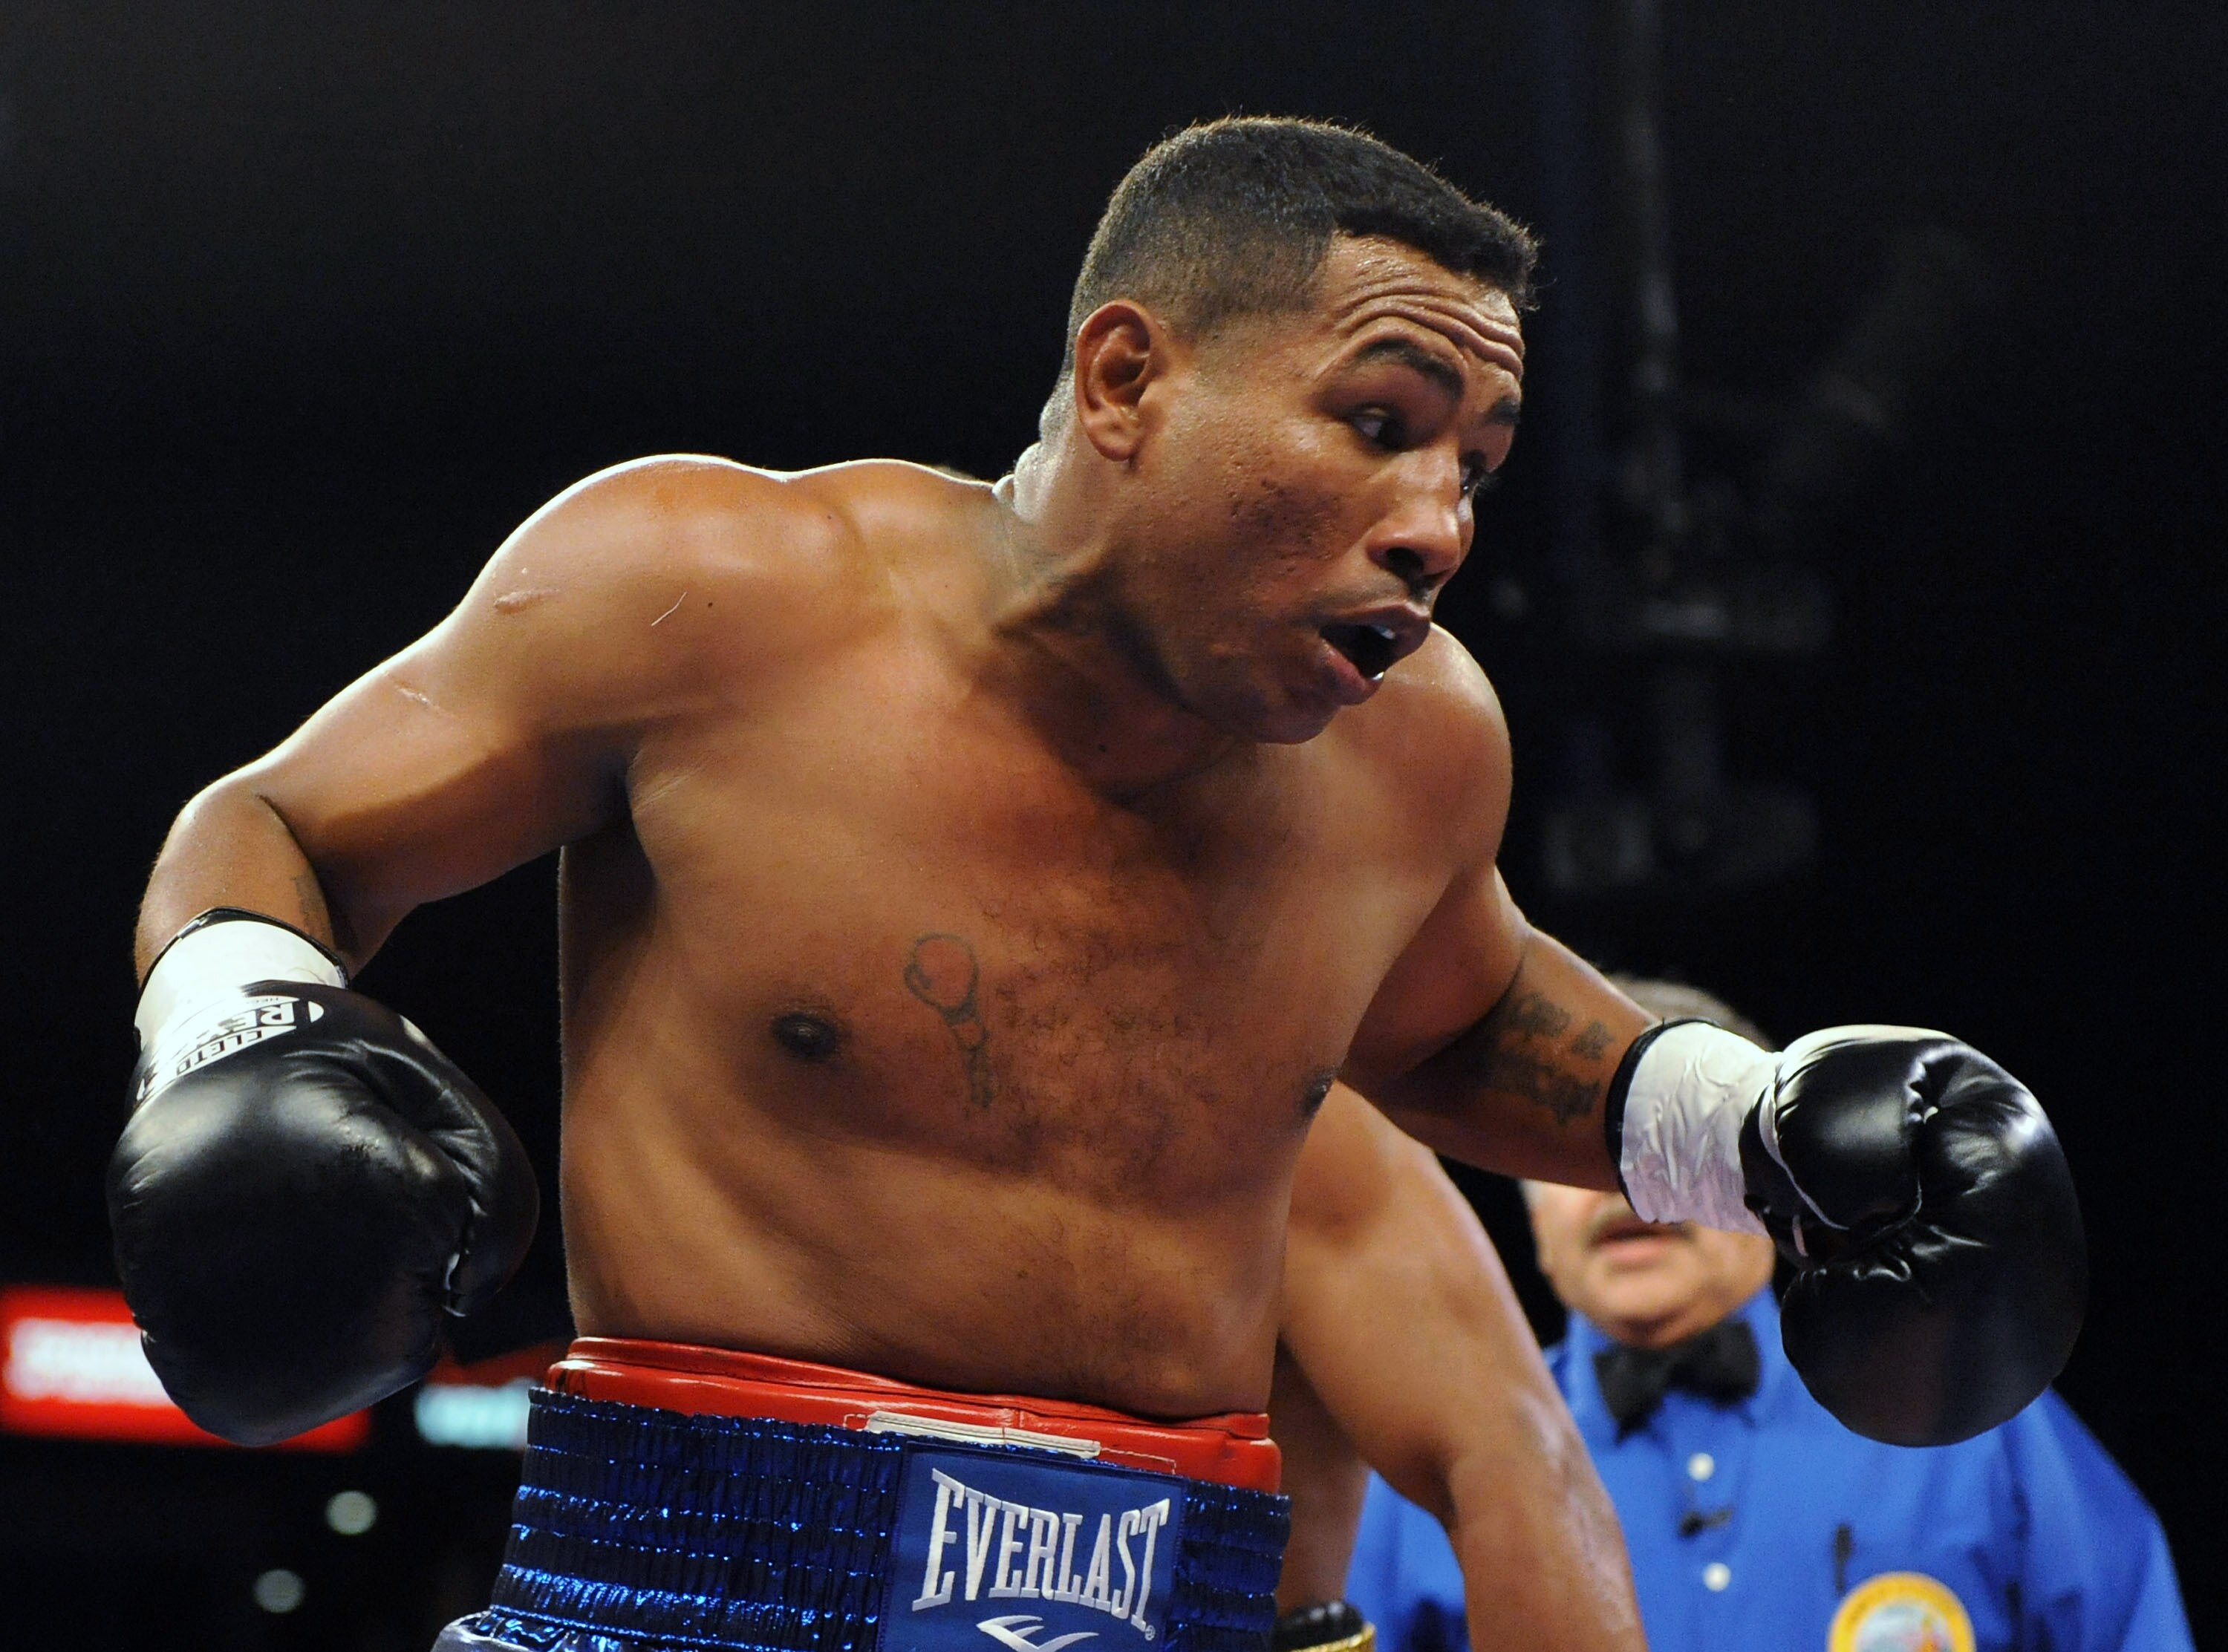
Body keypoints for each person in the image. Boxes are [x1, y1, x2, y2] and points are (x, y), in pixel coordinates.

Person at [106, 118, 2084, 1652]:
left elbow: (1465, 1018)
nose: (1438, 526)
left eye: (1474, 464)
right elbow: (270, 831)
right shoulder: (705, 595)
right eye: (1379, 426)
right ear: (1127, 376)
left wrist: (1753, 1131)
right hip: (684, 1593)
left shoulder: (1414, 754)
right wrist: (242, 1040)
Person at [1343, 982, 2191, 1652]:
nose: (1624, 1197)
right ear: (1524, 1206)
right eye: (1571, 1167)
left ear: (1770, 1174)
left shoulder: (1961, 1415)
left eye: (1658, 1162)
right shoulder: (1430, 1451)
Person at [1271, 1084, 1645, 1652]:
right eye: (1596, 1168)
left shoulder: (1285, 1124)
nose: (1630, 1197)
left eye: (1662, 1165)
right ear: (1536, 1228)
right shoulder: (1389, 1494)